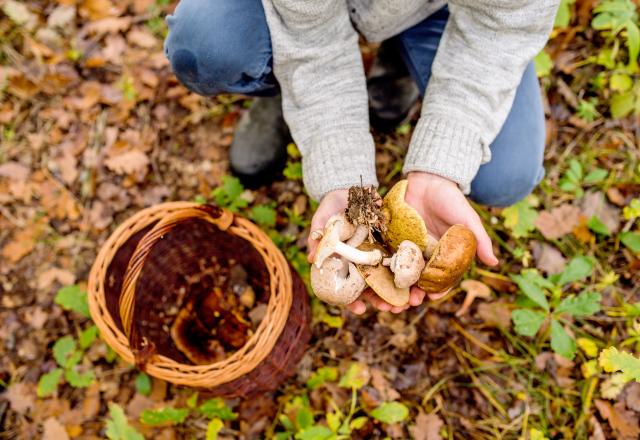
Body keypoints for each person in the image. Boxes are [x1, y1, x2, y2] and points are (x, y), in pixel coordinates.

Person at [164, 0, 559, 314]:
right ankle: (279, 90)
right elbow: (312, 47)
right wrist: (342, 170)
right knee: (206, 44)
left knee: (505, 173)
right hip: (302, 19)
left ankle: (400, 63)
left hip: (444, 10)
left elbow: (501, 28)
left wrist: (442, 165)